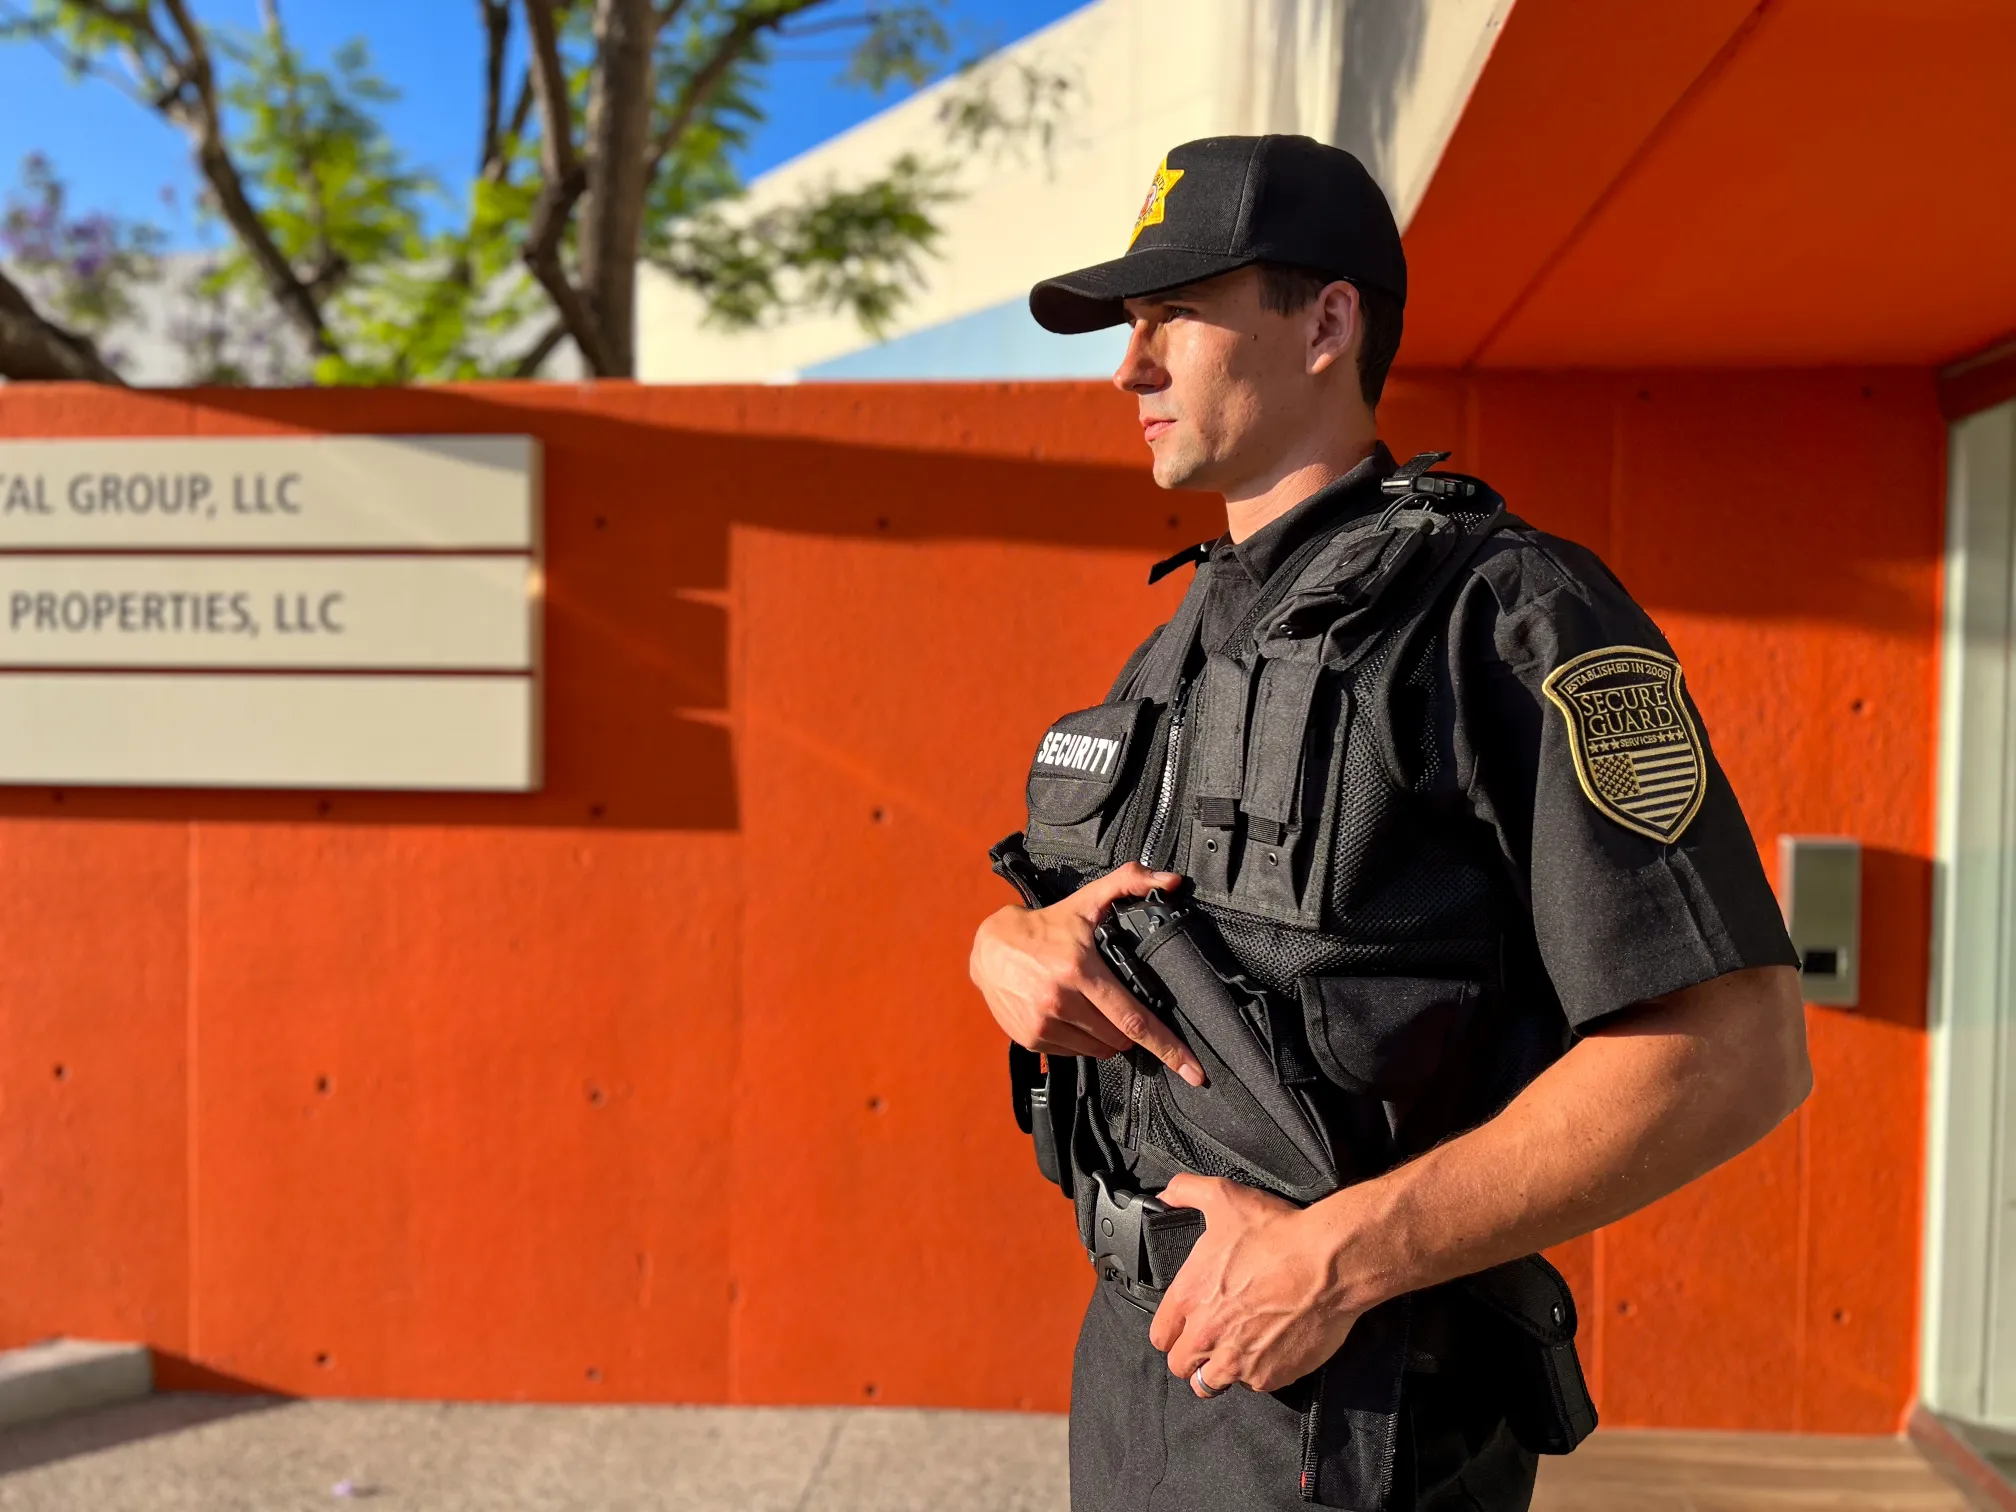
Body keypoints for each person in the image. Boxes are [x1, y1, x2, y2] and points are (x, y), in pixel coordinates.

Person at [967, 134, 1811, 1512]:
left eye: (1176, 313)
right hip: (1147, 1373)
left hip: (1357, 1411)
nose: (1130, 367)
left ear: (1328, 322)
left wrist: (1340, 1256)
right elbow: (1095, 918)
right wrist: (1003, 942)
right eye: (1129, 326)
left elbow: (1736, 1050)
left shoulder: (1508, 612)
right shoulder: (1182, 638)